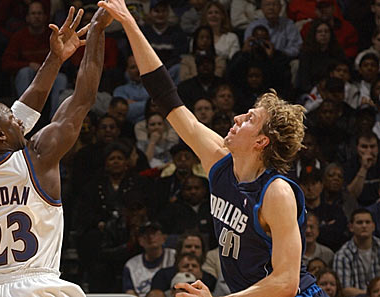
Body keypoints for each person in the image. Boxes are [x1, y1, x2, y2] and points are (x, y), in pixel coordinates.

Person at [98, 1, 326, 296]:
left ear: (261, 141)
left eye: (249, 119)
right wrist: (129, 22)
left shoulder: (276, 192)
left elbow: (285, 282)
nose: (236, 117)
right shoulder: (219, 160)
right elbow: (167, 98)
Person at [0, 5, 111, 297]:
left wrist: (54, 57)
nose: (21, 121)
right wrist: (97, 30)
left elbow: (11, 121)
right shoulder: (37, 158)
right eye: (13, 121)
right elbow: (83, 97)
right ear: (1, 134)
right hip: (40, 286)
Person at [333, 208, 380, 296]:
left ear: (373, 226)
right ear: (351, 227)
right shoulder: (342, 255)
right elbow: (344, 289)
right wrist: (373, 294)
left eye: (367, 222)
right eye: (359, 222)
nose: (364, 226)